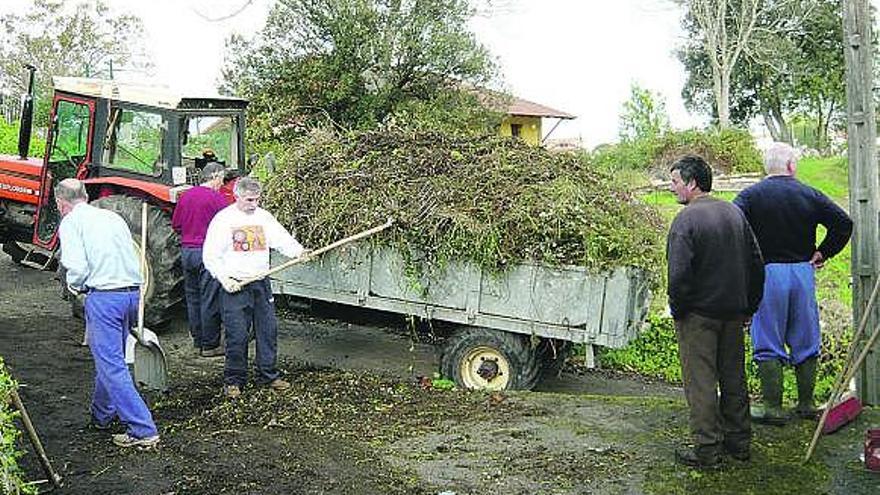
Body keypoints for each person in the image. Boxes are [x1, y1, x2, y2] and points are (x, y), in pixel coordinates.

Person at [734, 142, 853, 425]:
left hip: (768, 273)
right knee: (805, 337)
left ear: (768, 167)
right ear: (791, 166)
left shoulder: (750, 196)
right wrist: (824, 251)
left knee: (768, 339)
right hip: (802, 272)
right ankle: (806, 404)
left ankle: (773, 407)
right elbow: (843, 223)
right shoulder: (808, 193)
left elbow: (731, 224)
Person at [667, 155, 765, 468]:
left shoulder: (685, 221)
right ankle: (740, 443)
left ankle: (707, 449)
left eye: (675, 182)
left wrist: (679, 310)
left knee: (701, 382)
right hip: (733, 313)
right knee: (734, 377)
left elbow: (679, 275)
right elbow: (756, 264)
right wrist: (749, 305)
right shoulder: (734, 213)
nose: (672, 188)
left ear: (692, 183)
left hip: (698, 316)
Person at [55, 178, 160, 448]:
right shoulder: (112, 218)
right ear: (86, 196)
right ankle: (101, 415)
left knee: (111, 365)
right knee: (111, 357)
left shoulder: (71, 223)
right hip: (132, 294)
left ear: (60, 203)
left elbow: (75, 266)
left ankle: (142, 429)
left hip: (105, 297)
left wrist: (75, 286)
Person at [202, 176, 307, 399]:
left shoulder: (263, 218)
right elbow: (210, 255)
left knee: (268, 331)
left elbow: (281, 239)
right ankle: (234, 380)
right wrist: (224, 279)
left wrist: (299, 252)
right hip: (235, 285)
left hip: (260, 283)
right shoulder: (224, 220)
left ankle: (268, 375)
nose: (254, 204)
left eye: (257, 199)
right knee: (237, 335)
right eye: (249, 200)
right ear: (237, 196)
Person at [171, 162, 229, 357]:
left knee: (193, 298)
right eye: (221, 178)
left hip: (187, 252)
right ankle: (210, 345)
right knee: (209, 298)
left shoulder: (186, 196)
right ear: (214, 176)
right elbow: (228, 227)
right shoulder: (217, 199)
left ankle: (197, 339)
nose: (222, 183)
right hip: (207, 253)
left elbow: (176, 225)